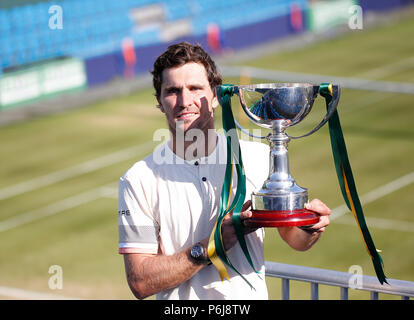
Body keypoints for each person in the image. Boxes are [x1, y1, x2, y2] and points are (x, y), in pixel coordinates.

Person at [117, 42, 331, 300]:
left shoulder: (258, 156)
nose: (185, 101)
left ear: (216, 95)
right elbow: (140, 281)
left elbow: (294, 239)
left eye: (195, 88)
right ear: (160, 102)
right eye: (173, 91)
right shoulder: (138, 179)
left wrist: (310, 228)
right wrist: (212, 245)